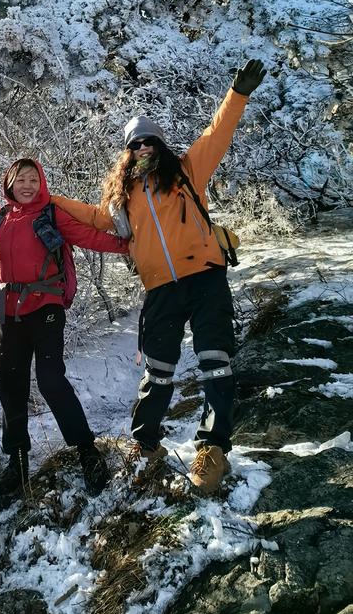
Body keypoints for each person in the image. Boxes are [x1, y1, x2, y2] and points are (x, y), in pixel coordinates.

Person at [51, 61, 267, 495]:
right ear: (127, 152)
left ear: (161, 145)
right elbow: (96, 219)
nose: (144, 148)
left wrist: (237, 94)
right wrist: (48, 198)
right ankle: (145, 444)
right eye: (136, 144)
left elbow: (216, 134)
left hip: (205, 278)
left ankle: (213, 449)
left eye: (150, 141)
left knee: (215, 361)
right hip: (160, 290)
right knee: (159, 370)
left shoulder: (187, 172)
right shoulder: (122, 197)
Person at [0, 157, 129, 498]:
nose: (27, 185)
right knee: (10, 384)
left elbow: (89, 236)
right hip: (8, 312)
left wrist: (130, 245)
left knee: (50, 379)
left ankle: (87, 451)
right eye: (20, 179)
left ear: (41, 183)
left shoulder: (51, 214)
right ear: (9, 184)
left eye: (33, 179)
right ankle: (17, 460)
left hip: (46, 307)